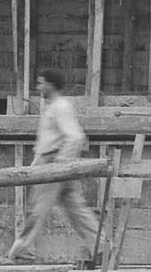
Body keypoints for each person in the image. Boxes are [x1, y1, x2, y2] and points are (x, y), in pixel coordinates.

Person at [5, 69, 101, 261]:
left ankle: (22, 248)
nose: (39, 87)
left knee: (37, 208)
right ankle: (102, 246)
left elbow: (75, 137)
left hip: (54, 165)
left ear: (50, 85)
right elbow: (48, 142)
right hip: (51, 163)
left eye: (41, 83)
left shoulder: (60, 107)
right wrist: (37, 165)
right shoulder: (53, 107)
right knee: (77, 210)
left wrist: (60, 164)